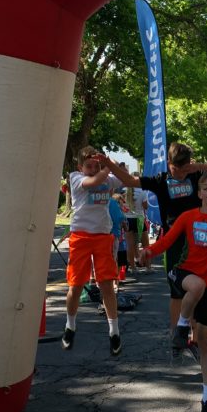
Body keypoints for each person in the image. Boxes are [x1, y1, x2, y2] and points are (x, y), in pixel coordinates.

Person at [138, 173, 207, 412]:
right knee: (196, 285)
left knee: (205, 342)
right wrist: (149, 251)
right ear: (200, 194)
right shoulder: (188, 216)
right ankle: (181, 326)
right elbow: (167, 241)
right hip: (182, 271)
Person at [133, 143, 207, 356]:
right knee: (178, 294)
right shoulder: (160, 180)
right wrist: (107, 166)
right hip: (174, 240)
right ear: (169, 164)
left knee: (198, 291)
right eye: (179, 169)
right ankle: (176, 335)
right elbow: (128, 181)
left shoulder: (195, 176)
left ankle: (194, 339)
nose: (183, 172)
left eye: (187, 168)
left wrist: (197, 167)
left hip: (198, 240)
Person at [62, 147, 138, 356]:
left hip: (103, 237)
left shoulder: (108, 177)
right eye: (89, 166)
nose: (94, 170)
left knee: (106, 284)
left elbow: (129, 180)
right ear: (80, 167)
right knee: (76, 285)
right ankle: (70, 325)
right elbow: (92, 183)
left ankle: (114, 331)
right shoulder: (76, 177)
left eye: (97, 165)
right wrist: (105, 169)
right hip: (81, 236)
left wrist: (111, 165)